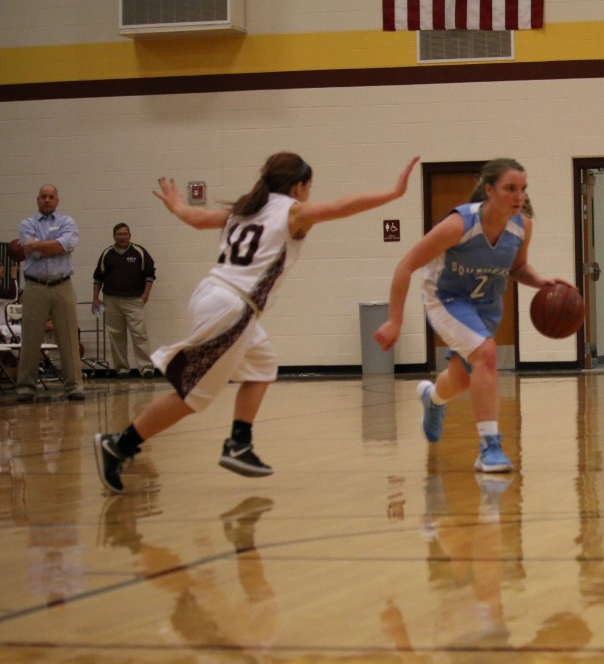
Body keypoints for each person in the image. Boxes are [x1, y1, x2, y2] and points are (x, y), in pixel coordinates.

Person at [94, 152, 419, 493]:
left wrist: (178, 206)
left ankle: (239, 443)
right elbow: (342, 207)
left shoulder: (246, 209)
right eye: (310, 185)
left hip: (215, 296)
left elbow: (199, 219)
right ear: (298, 186)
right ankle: (119, 444)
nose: (310, 192)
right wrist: (393, 193)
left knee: (263, 364)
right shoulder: (291, 212)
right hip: (231, 307)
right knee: (193, 396)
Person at [373, 158, 572, 473]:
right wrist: (394, 319)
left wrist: (540, 281)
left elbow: (518, 267)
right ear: (489, 190)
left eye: (522, 189)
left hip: (486, 305)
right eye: (510, 188)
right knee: (487, 354)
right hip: (446, 299)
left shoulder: (522, 226)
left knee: (461, 379)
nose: (519, 196)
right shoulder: (460, 224)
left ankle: (433, 399)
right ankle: (489, 447)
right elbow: (406, 265)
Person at [11, 184, 86, 403]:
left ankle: (74, 387)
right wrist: (54, 245)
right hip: (35, 287)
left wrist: (38, 245)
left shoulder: (67, 222)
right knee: (30, 338)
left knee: (68, 338)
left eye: (51, 197)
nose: (47, 200)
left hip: (62, 285)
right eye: (43, 196)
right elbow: (33, 252)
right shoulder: (27, 224)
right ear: (38, 200)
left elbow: (63, 245)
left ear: (57, 200)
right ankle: (26, 388)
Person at [92, 222, 158, 378]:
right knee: (116, 336)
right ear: (114, 236)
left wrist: (146, 294)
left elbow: (150, 275)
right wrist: (95, 298)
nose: (122, 237)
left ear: (130, 235)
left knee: (139, 335)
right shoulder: (107, 253)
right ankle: (122, 369)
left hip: (134, 300)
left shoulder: (139, 252)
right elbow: (98, 278)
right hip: (111, 300)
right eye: (119, 234)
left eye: (124, 234)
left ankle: (146, 368)